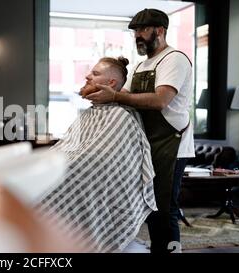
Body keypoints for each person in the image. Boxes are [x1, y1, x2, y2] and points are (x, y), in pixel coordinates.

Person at [83, 9, 195, 253]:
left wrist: (117, 95)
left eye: (143, 30)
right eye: (135, 31)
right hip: (147, 144)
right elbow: (127, 97)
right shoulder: (141, 65)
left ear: (160, 30)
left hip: (171, 145)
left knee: (166, 210)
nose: (138, 36)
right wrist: (101, 90)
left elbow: (160, 100)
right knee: (152, 208)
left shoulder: (174, 59)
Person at [37, 57, 157, 253]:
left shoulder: (120, 117)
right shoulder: (89, 114)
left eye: (95, 74)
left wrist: (61, 165)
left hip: (81, 178)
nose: (87, 76)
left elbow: (99, 159)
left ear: (111, 83)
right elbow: (71, 147)